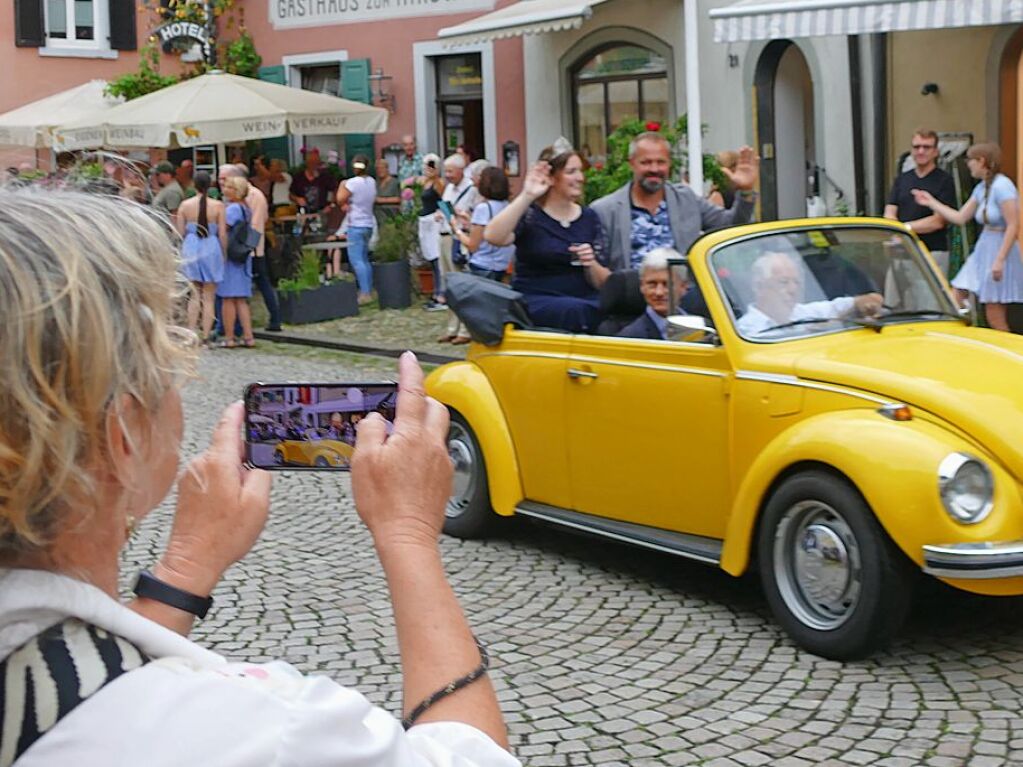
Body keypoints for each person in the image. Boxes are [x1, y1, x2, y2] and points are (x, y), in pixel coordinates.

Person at [0, 189, 517, 766]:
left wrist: (183, 571)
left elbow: (75, 673)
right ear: (123, 435)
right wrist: (407, 534)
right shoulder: (245, 733)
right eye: (168, 359)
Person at [486, 142, 609, 333]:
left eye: (580, 171)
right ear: (552, 178)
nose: (580, 178)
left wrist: (590, 262)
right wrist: (527, 195)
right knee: (575, 310)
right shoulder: (530, 216)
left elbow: (601, 281)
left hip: (584, 297)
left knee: (613, 310)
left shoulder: (589, 217)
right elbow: (493, 236)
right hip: (538, 298)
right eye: (572, 172)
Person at [590, 132, 758, 272]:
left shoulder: (686, 199)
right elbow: (597, 269)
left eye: (660, 162)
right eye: (646, 162)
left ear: (669, 164)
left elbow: (730, 226)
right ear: (632, 163)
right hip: (631, 305)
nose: (654, 169)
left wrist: (746, 191)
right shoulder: (605, 210)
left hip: (684, 300)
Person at [912, 142, 1023, 332]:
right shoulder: (981, 188)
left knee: (994, 314)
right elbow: (961, 217)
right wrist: (931, 202)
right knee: (957, 292)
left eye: (970, 161)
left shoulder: (1003, 186)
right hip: (983, 249)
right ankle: (965, 330)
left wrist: (1000, 260)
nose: (968, 165)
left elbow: (1013, 224)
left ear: (981, 161)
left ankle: (1010, 354)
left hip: (999, 248)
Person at [444, 167, 514, 345]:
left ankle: (480, 339)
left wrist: (457, 229)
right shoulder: (508, 206)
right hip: (503, 263)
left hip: (484, 264)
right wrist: (469, 220)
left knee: (478, 308)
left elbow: (473, 244)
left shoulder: (484, 207)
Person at [736, 251, 884, 336]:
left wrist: (866, 302)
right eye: (783, 282)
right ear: (759, 286)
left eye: (797, 282)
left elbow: (846, 305)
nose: (793, 289)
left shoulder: (803, 313)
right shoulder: (746, 330)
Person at [884, 129, 956, 276]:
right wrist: (898, 232)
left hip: (932, 252)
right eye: (916, 147)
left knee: (928, 298)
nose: (921, 151)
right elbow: (889, 212)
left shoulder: (945, 181)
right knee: (895, 298)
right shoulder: (902, 179)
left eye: (926, 147)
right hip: (901, 252)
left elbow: (937, 221)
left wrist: (903, 229)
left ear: (935, 152)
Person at [175, 170, 226, 346]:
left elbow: (180, 232)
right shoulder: (218, 206)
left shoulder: (185, 205)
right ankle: (206, 335)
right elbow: (222, 233)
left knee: (194, 294)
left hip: (191, 246)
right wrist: (224, 253)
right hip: (211, 246)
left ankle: (191, 333)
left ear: (193, 185)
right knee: (209, 296)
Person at [618, 247, 689, 340]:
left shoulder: (702, 329)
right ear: (642, 286)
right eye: (652, 284)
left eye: (667, 284)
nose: (659, 292)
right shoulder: (629, 338)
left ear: (683, 287)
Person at [219, 176, 256, 348]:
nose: (224, 189)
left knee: (228, 299)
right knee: (241, 299)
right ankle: (248, 336)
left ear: (235, 191)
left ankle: (229, 337)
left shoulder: (232, 209)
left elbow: (223, 229)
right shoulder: (246, 208)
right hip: (242, 257)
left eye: (228, 187)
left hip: (231, 257)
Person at [337, 154, 377, 304]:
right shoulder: (371, 182)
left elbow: (340, 198)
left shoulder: (352, 183)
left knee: (356, 260)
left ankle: (365, 293)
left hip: (356, 224)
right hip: (368, 223)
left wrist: (342, 184)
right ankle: (368, 289)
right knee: (365, 259)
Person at [417, 153, 447, 311]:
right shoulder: (425, 182)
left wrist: (446, 217)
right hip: (425, 222)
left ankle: (441, 293)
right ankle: (436, 292)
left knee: (437, 259)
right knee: (431, 258)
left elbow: (445, 202)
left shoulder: (438, 183)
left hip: (434, 223)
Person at [289, 148, 337, 216]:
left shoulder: (326, 177)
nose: (314, 165)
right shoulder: (298, 177)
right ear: (307, 163)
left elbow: (334, 191)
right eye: (311, 162)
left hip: (322, 212)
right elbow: (291, 195)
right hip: (303, 213)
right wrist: (297, 199)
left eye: (316, 163)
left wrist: (331, 205)